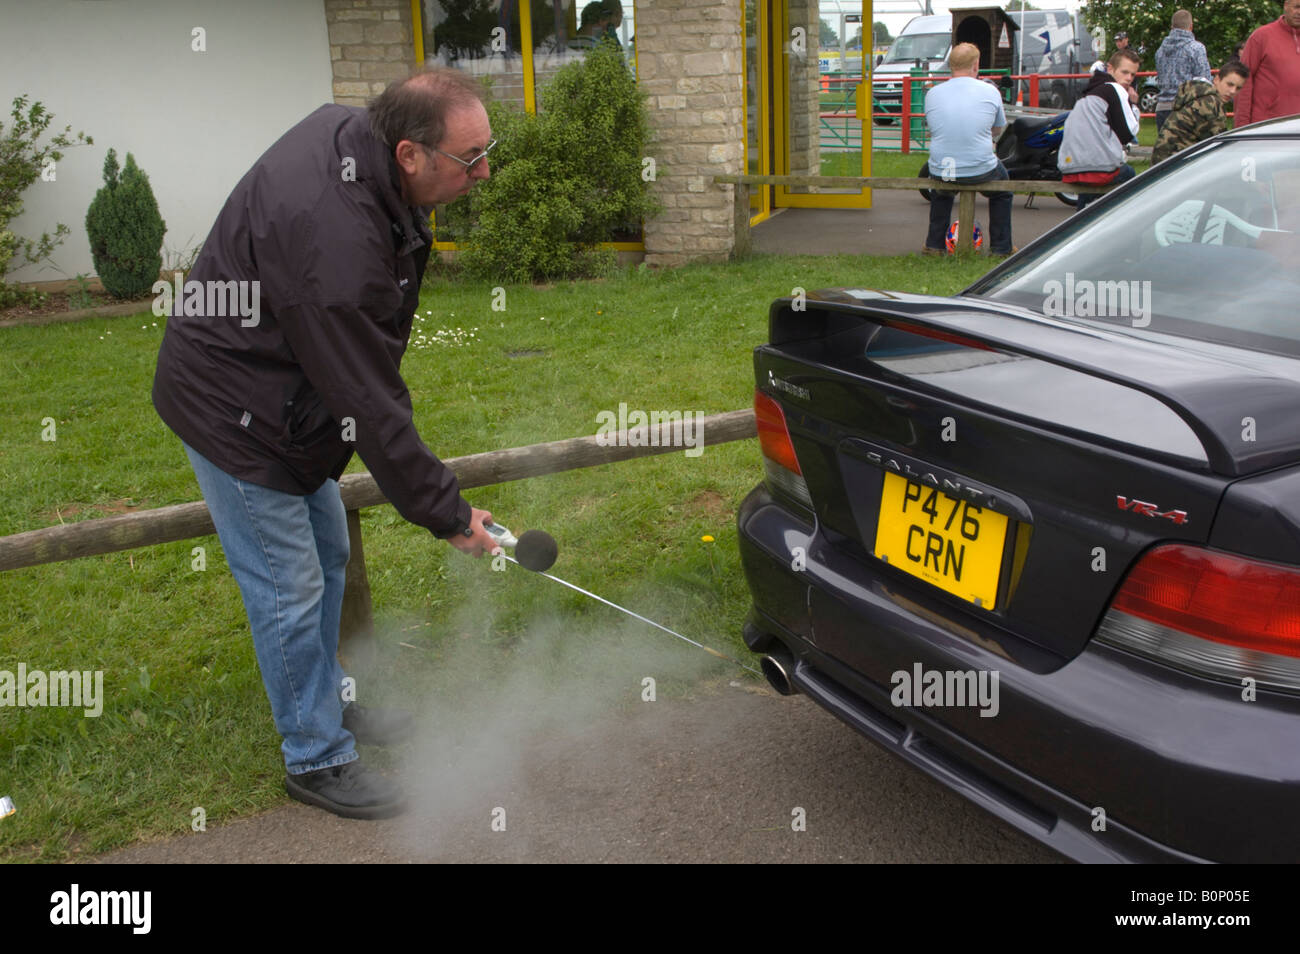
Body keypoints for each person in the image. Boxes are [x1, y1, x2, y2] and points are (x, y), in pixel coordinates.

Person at [151, 68, 500, 820]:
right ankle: (315, 756)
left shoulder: (364, 147)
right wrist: (447, 514)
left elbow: (352, 375)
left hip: (287, 393)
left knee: (330, 553)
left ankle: (330, 702)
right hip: (233, 408)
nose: (483, 172)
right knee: (289, 585)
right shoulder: (333, 236)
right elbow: (367, 399)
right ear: (409, 152)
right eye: (469, 160)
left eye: (485, 151)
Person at [921, 42, 1013, 257]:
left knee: (942, 192)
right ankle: (1001, 248)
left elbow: (934, 129)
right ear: (976, 65)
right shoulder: (990, 91)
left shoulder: (933, 94)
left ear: (951, 65)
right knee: (1003, 191)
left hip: (945, 168)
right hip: (980, 167)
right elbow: (997, 130)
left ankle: (934, 245)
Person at [1059, 49, 1142, 211]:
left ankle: (1082, 219)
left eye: (1133, 75)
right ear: (1110, 69)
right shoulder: (1115, 89)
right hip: (1099, 170)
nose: (1129, 79)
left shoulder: (1089, 93)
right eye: (1125, 72)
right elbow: (1129, 133)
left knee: (1089, 194)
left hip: (1069, 168)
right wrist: (1133, 104)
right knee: (1130, 175)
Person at [1151, 61, 1250, 164]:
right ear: (1216, 80)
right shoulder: (1210, 103)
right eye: (1229, 84)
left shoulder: (1199, 95)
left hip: (1163, 161)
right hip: (1174, 165)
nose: (1233, 91)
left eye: (1238, 88)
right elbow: (1220, 146)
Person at [1235, 0, 1300, 126]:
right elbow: (1242, 80)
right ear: (1286, 5)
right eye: (1297, 7)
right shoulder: (1261, 37)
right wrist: (1242, 127)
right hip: (1267, 128)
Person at [1154, 10, 1212, 132]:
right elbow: (1204, 80)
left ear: (1171, 27)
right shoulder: (1196, 48)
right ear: (1191, 26)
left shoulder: (1160, 51)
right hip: (1186, 108)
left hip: (1162, 108)